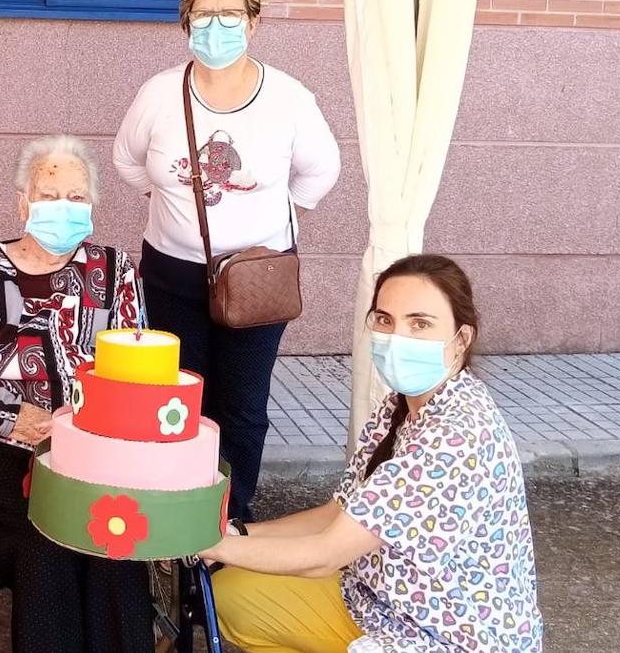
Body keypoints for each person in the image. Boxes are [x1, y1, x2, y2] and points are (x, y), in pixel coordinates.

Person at [199, 255, 543, 653]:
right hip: (376, 605)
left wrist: (208, 544)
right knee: (231, 596)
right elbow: (337, 513)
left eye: (420, 324)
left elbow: (326, 554)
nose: (397, 338)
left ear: (461, 339)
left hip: (444, 637)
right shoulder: (405, 403)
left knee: (240, 576)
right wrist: (236, 535)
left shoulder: (455, 437)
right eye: (384, 320)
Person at [113, 0, 341, 521]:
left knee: (240, 406)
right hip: (172, 275)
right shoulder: (159, 93)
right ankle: (175, 509)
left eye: (230, 15)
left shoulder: (289, 98)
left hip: (256, 280)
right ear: (185, 24)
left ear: (254, 22)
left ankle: (228, 517)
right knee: (178, 399)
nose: (216, 28)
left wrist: (274, 217)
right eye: (203, 15)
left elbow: (321, 172)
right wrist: (170, 199)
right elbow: (127, 162)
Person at [0, 136, 153, 653]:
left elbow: (138, 369)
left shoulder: (116, 271)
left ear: (94, 206)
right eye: (48, 193)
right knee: (49, 529)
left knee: (113, 531)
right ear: (22, 202)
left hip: (92, 442)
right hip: (0, 442)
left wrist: (88, 422)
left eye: (77, 197)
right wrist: (13, 419)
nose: (63, 207)